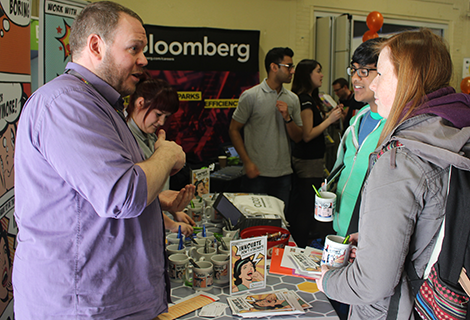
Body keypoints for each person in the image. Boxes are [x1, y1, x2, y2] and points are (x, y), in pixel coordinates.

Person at [13, 2, 191, 319]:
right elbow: (121, 195)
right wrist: (165, 155)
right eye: (134, 48)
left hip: (110, 299)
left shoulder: (99, 105)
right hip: (84, 305)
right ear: (96, 46)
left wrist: (156, 201)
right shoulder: (66, 103)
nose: (144, 59)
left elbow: (88, 199)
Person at [317, 29, 470, 319]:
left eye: (381, 74)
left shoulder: (400, 158)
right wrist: (377, 235)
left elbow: (371, 283)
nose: (373, 85)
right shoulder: (451, 133)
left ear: (408, 80)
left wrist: (326, 280)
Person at [229, 47, 303, 209]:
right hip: (257, 175)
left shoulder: (292, 99)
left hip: (284, 174)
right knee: (256, 222)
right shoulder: (251, 96)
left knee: (280, 224)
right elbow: (234, 130)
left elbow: (298, 137)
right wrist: (247, 162)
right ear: (274, 67)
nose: (292, 71)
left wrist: (287, 118)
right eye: (288, 66)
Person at [331, 38, 387, 238]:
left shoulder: (394, 128)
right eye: (353, 70)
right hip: (340, 229)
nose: (355, 78)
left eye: (364, 71)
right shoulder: (359, 118)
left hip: (368, 238)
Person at [126, 77, 195, 237]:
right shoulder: (125, 139)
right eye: (158, 114)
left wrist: (172, 210)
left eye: (166, 116)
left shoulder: (149, 134)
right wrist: (171, 224)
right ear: (140, 103)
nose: (161, 122)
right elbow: (136, 197)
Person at [287, 59, 342, 247]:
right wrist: (329, 120)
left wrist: (328, 117)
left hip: (312, 162)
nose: (322, 75)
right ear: (307, 74)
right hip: (307, 163)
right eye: (318, 71)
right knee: (305, 208)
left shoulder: (311, 99)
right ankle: (301, 247)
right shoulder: (305, 100)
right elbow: (308, 135)